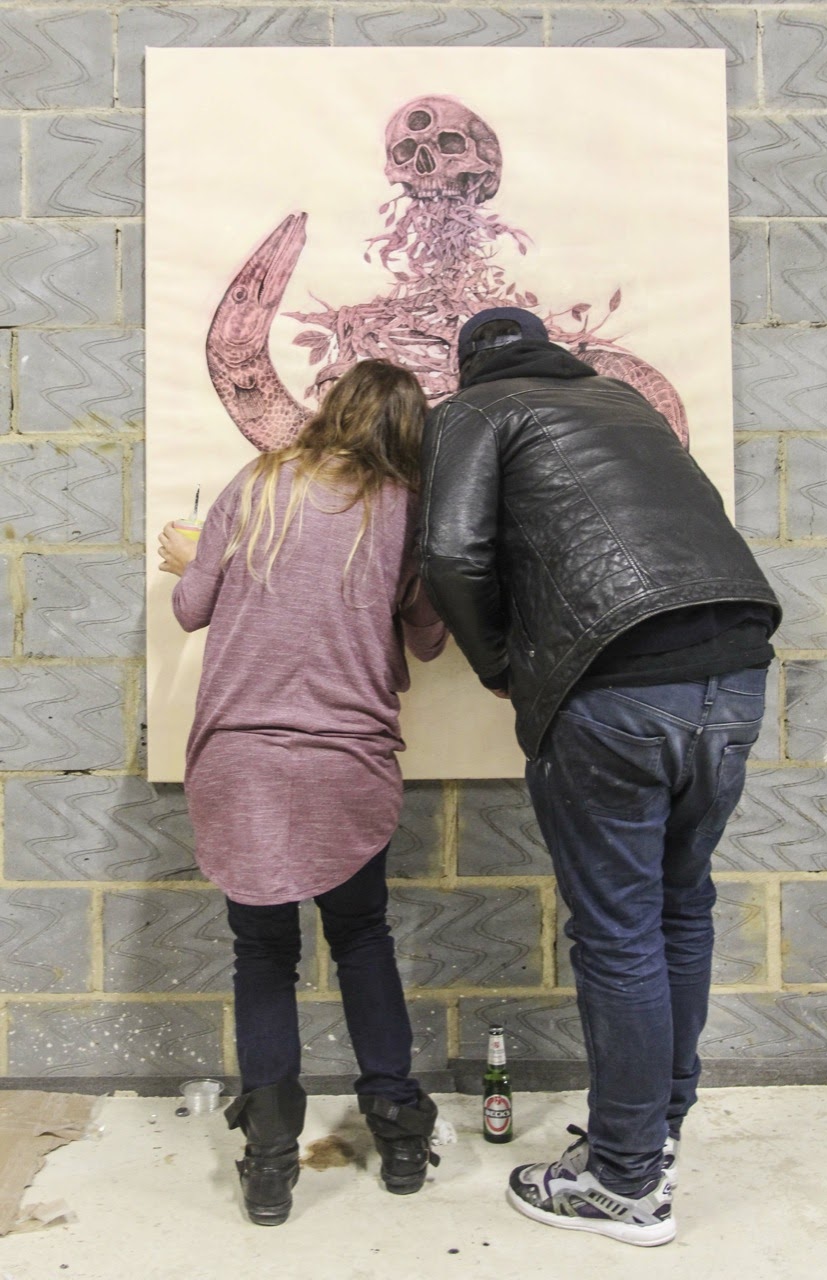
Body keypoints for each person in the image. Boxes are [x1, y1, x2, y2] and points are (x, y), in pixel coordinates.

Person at [419, 307, 781, 1247]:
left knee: (619, 933)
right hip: (738, 666)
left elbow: (450, 551)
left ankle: (623, 1182)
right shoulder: (624, 402)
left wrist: (499, 665)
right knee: (680, 907)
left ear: (467, 363)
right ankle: (655, 1135)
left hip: (617, 681)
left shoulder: (474, 409)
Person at [158, 359, 447, 1226]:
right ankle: (399, 1138)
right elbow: (429, 640)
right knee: (361, 937)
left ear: (332, 408)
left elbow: (189, 608)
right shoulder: (405, 509)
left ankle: (271, 1162)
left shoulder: (259, 483)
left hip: (240, 758)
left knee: (261, 954)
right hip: (345, 761)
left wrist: (192, 557)